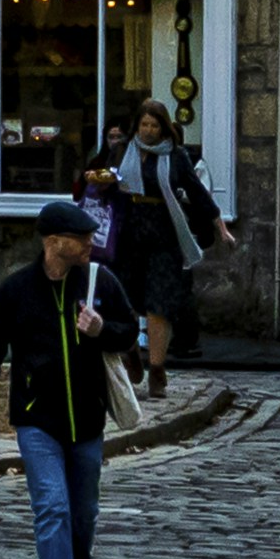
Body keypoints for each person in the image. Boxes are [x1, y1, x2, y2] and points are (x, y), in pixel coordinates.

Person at [0, 204, 124, 559]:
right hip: (37, 421)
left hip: (87, 422)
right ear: (53, 243)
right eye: (80, 237)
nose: (90, 243)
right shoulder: (17, 292)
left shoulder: (99, 282)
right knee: (52, 508)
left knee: (83, 516)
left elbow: (129, 330)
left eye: (90, 235)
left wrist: (102, 329)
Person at [106, 96, 224, 375]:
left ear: (163, 128)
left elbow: (198, 194)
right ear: (137, 126)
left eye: (154, 125)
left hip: (164, 234)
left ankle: (157, 370)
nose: (148, 130)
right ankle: (132, 354)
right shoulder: (123, 151)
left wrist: (220, 226)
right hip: (129, 234)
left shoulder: (175, 156)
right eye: (144, 124)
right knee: (127, 302)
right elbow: (108, 184)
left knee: (159, 304)